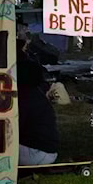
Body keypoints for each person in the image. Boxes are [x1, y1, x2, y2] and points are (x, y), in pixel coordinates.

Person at [16, 37, 59, 166]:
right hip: (45, 151)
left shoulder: (25, 97)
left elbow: (15, 127)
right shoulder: (35, 93)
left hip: (37, 152)